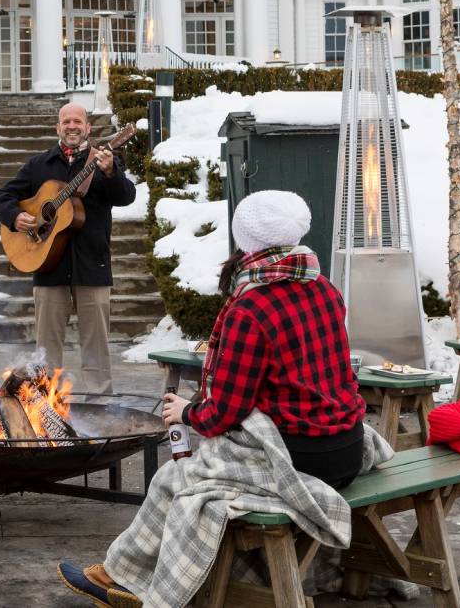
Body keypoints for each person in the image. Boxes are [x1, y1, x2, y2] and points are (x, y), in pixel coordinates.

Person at [58, 190, 367, 607]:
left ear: (245, 240)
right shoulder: (324, 289)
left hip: (299, 458)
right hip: (347, 446)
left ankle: (131, 581)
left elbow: (223, 413)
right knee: (193, 471)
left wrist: (187, 411)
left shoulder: (251, 309)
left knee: (176, 479)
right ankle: (125, 576)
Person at [0, 102, 136, 393]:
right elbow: (4, 195)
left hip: (91, 266)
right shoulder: (39, 165)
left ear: (88, 128)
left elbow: (126, 197)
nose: (72, 126)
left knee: (96, 342)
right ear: (58, 127)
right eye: (66, 121)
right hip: (48, 267)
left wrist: (111, 173)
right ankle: (45, 402)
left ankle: (100, 399)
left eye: (77, 121)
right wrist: (14, 216)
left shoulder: (103, 160)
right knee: (46, 345)